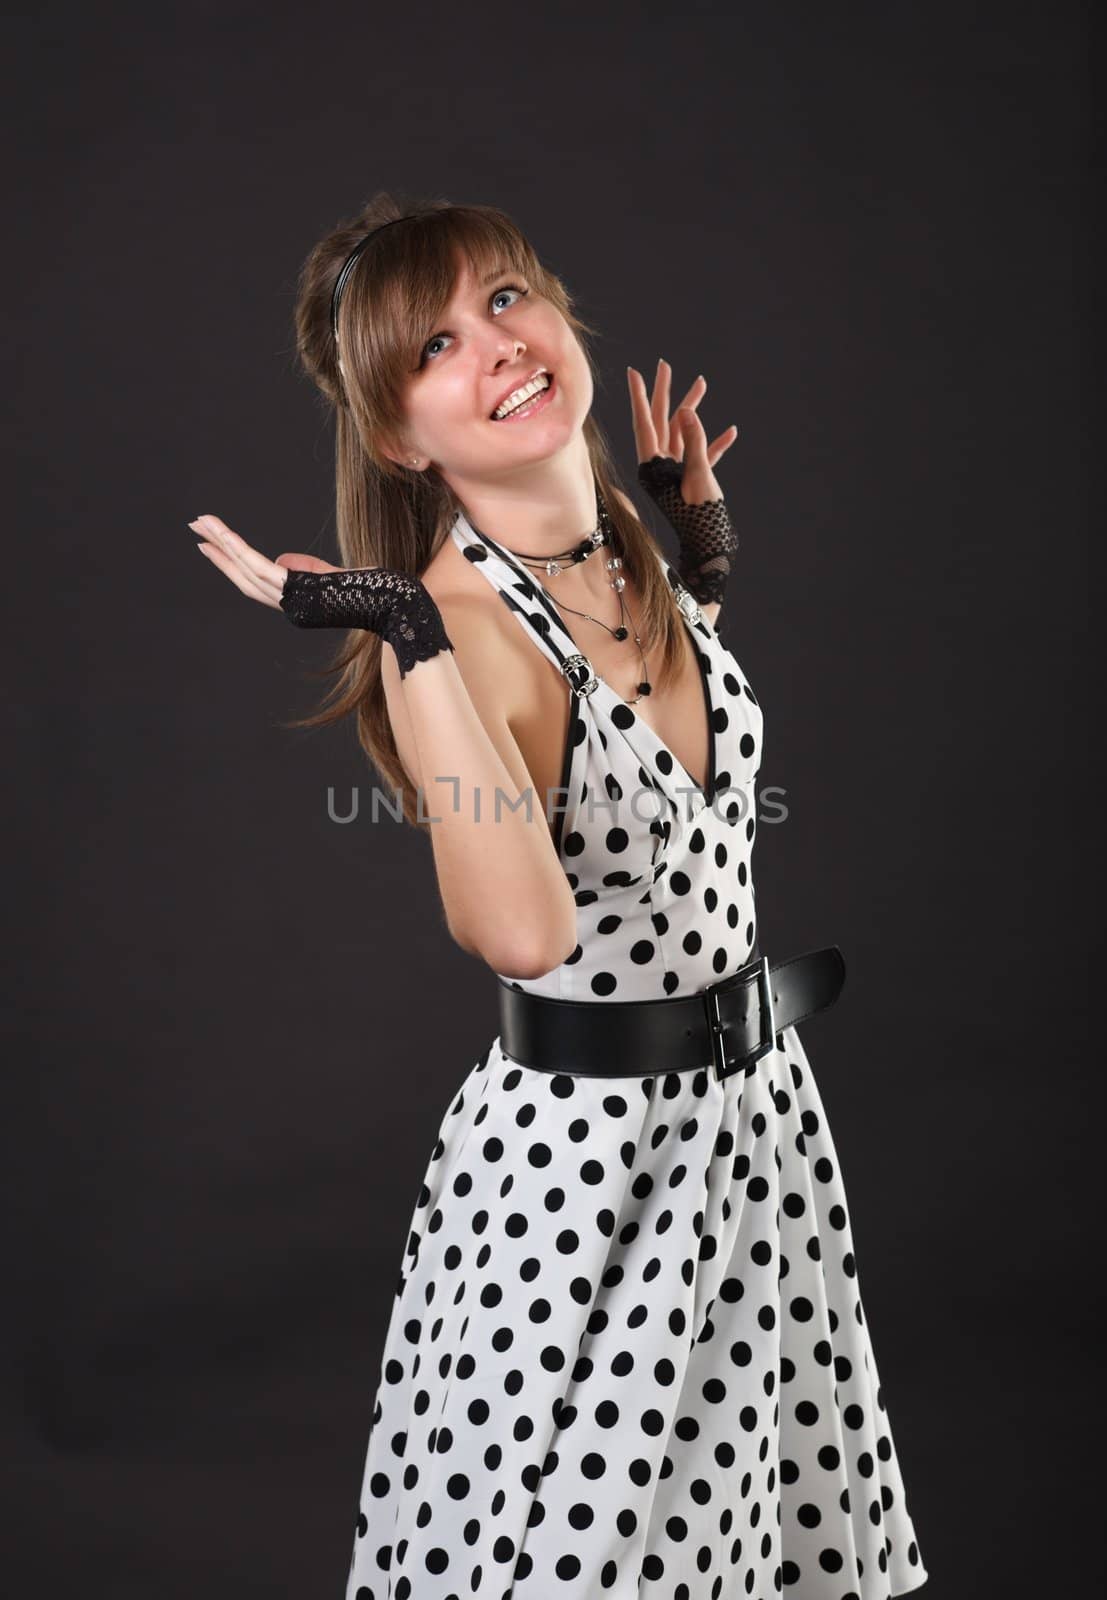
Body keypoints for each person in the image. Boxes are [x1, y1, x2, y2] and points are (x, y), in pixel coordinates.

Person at [191, 195, 928, 1599]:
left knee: (737, 1553)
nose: (500, 349)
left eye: (510, 299)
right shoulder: (459, 628)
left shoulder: (627, 554)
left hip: (749, 1137)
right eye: (437, 346)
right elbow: (529, 934)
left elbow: (658, 782)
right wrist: (408, 633)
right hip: (591, 1187)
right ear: (403, 436)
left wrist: (697, 559)